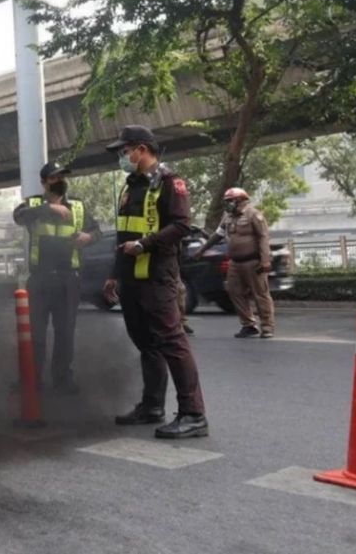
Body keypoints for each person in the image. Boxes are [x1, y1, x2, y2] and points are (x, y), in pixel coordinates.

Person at [103, 126, 208, 439]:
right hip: (131, 278)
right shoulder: (130, 185)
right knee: (146, 343)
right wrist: (114, 274)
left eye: (125, 151)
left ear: (142, 149)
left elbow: (181, 225)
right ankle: (152, 406)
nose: (123, 157)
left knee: (172, 342)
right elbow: (124, 233)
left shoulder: (169, 182)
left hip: (157, 274)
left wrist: (144, 245)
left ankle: (193, 414)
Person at [12, 162, 101, 395]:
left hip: (67, 280)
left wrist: (88, 237)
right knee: (35, 333)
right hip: (40, 279)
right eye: (54, 177)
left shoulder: (79, 206)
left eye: (62, 176)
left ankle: (62, 379)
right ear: (44, 183)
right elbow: (19, 217)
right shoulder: (32, 204)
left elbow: (97, 231)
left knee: (65, 332)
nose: (60, 180)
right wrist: (50, 209)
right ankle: (31, 379)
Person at [194, 187, 275, 338]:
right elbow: (217, 236)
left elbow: (263, 238)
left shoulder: (254, 215)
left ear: (241, 200)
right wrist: (202, 249)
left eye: (230, 201)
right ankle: (248, 325)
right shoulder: (228, 217)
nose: (228, 204)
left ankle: (267, 327)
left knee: (261, 295)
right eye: (227, 202)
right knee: (234, 291)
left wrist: (265, 260)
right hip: (235, 263)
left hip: (253, 262)